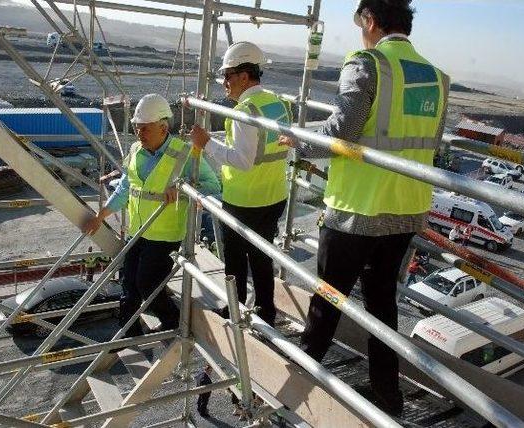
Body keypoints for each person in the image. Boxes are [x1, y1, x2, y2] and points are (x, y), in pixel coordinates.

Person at [280, 0, 449, 415]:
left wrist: (298, 139)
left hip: (357, 210)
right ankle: (388, 396)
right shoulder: (437, 78)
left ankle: (295, 387)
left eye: (361, 23)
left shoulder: (368, 63)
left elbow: (343, 130)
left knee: (326, 301)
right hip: (407, 209)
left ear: (370, 21)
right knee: (381, 303)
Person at [83, 94, 220, 337]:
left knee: (147, 283)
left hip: (165, 235)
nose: (139, 134)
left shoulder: (184, 154)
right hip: (137, 231)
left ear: (163, 127)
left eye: (144, 129)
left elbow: (212, 187)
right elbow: (126, 187)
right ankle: (128, 330)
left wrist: (183, 188)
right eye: (137, 128)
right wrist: (101, 215)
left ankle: (172, 321)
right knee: (128, 280)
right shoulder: (136, 150)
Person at [190, 42, 292, 326]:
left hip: (244, 199)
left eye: (228, 76)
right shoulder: (276, 103)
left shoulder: (245, 111)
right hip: (273, 195)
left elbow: (242, 160)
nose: (225, 83)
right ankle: (266, 312)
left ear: (244, 76)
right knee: (262, 256)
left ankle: (233, 309)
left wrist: (207, 143)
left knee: (235, 260)